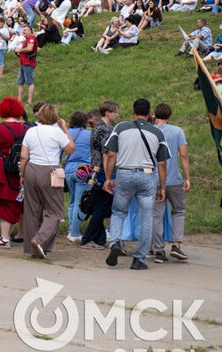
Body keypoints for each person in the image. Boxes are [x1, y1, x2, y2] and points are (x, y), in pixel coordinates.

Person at [104, 98, 170, 270]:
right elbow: (162, 163)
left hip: (124, 173)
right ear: (149, 115)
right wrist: (162, 187)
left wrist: (109, 178)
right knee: (146, 217)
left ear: (133, 112)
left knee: (118, 212)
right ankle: (139, 259)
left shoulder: (120, 128)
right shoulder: (157, 133)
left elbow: (111, 154)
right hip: (147, 176)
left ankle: (116, 242)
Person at [19, 104, 75, 259]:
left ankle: (32, 249)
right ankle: (40, 239)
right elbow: (70, 149)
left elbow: (24, 156)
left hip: (31, 169)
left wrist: (22, 175)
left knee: (32, 210)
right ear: (55, 117)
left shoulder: (30, 131)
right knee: (55, 211)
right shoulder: (57, 132)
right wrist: (64, 129)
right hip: (49, 171)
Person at [0, 96, 26, 248]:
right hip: (21, 168)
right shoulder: (26, 129)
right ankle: (6, 235)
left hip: (1, 169)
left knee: (3, 202)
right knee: (14, 202)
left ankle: (4, 238)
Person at [151, 103, 190, 263]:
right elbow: (184, 154)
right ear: (170, 116)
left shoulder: (150, 131)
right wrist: (187, 177)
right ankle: (176, 244)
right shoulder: (177, 131)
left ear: (154, 114)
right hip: (174, 178)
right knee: (179, 210)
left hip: (154, 179)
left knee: (156, 215)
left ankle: (158, 249)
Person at [81, 100, 120, 249]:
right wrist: (108, 177)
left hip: (97, 170)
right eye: (115, 111)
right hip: (103, 172)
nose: (117, 114)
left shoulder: (99, 128)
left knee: (99, 204)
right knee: (102, 207)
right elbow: (107, 154)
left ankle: (99, 238)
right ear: (108, 112)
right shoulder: (105, 130)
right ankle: (88, 238)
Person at [63, 111, 93, 243]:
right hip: (84, 170)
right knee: (81, 203)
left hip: (68, 170)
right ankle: (75, 233)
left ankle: (71, 230)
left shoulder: (66, 133)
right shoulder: (89, 134)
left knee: (72, 202)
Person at [16, 24, 37, 105]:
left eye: (25, 30)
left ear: (30, 31)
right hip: (23, 63)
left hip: (28, 63)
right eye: (23, 30)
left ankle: (29, 101)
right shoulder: (26, 39)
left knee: (30, 82)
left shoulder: (31, 38)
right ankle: (19, 100)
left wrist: (19, 50)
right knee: (20, 82)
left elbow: (29, 48)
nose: (23, 31)